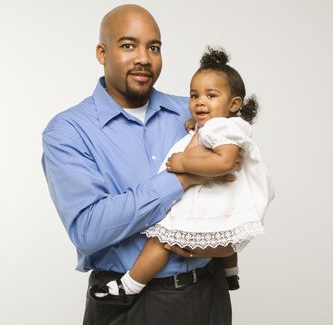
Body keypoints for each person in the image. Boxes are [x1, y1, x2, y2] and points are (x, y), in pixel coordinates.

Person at [42, 4, 243, 325]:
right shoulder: (69, 130)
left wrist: (224, 248)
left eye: (154, 47)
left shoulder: (192, 112)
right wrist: (182, 178)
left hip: (208, 294)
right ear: (101, 52)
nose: (143, 58)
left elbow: (234, 182)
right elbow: (88, 230)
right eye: (127, 45)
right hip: (130, 304)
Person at [94, 47, 274, 299]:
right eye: (194, 95)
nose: (200, 101)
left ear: (234, 104)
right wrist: (196, 125)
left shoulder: (221, 129)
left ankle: (130, 285)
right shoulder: (224, 125)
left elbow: (225, 162)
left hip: (213, 189)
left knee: (161, 238)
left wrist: (184, 163)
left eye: (211, 95)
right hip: (225, 195)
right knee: (225, 225)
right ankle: (231, 273)